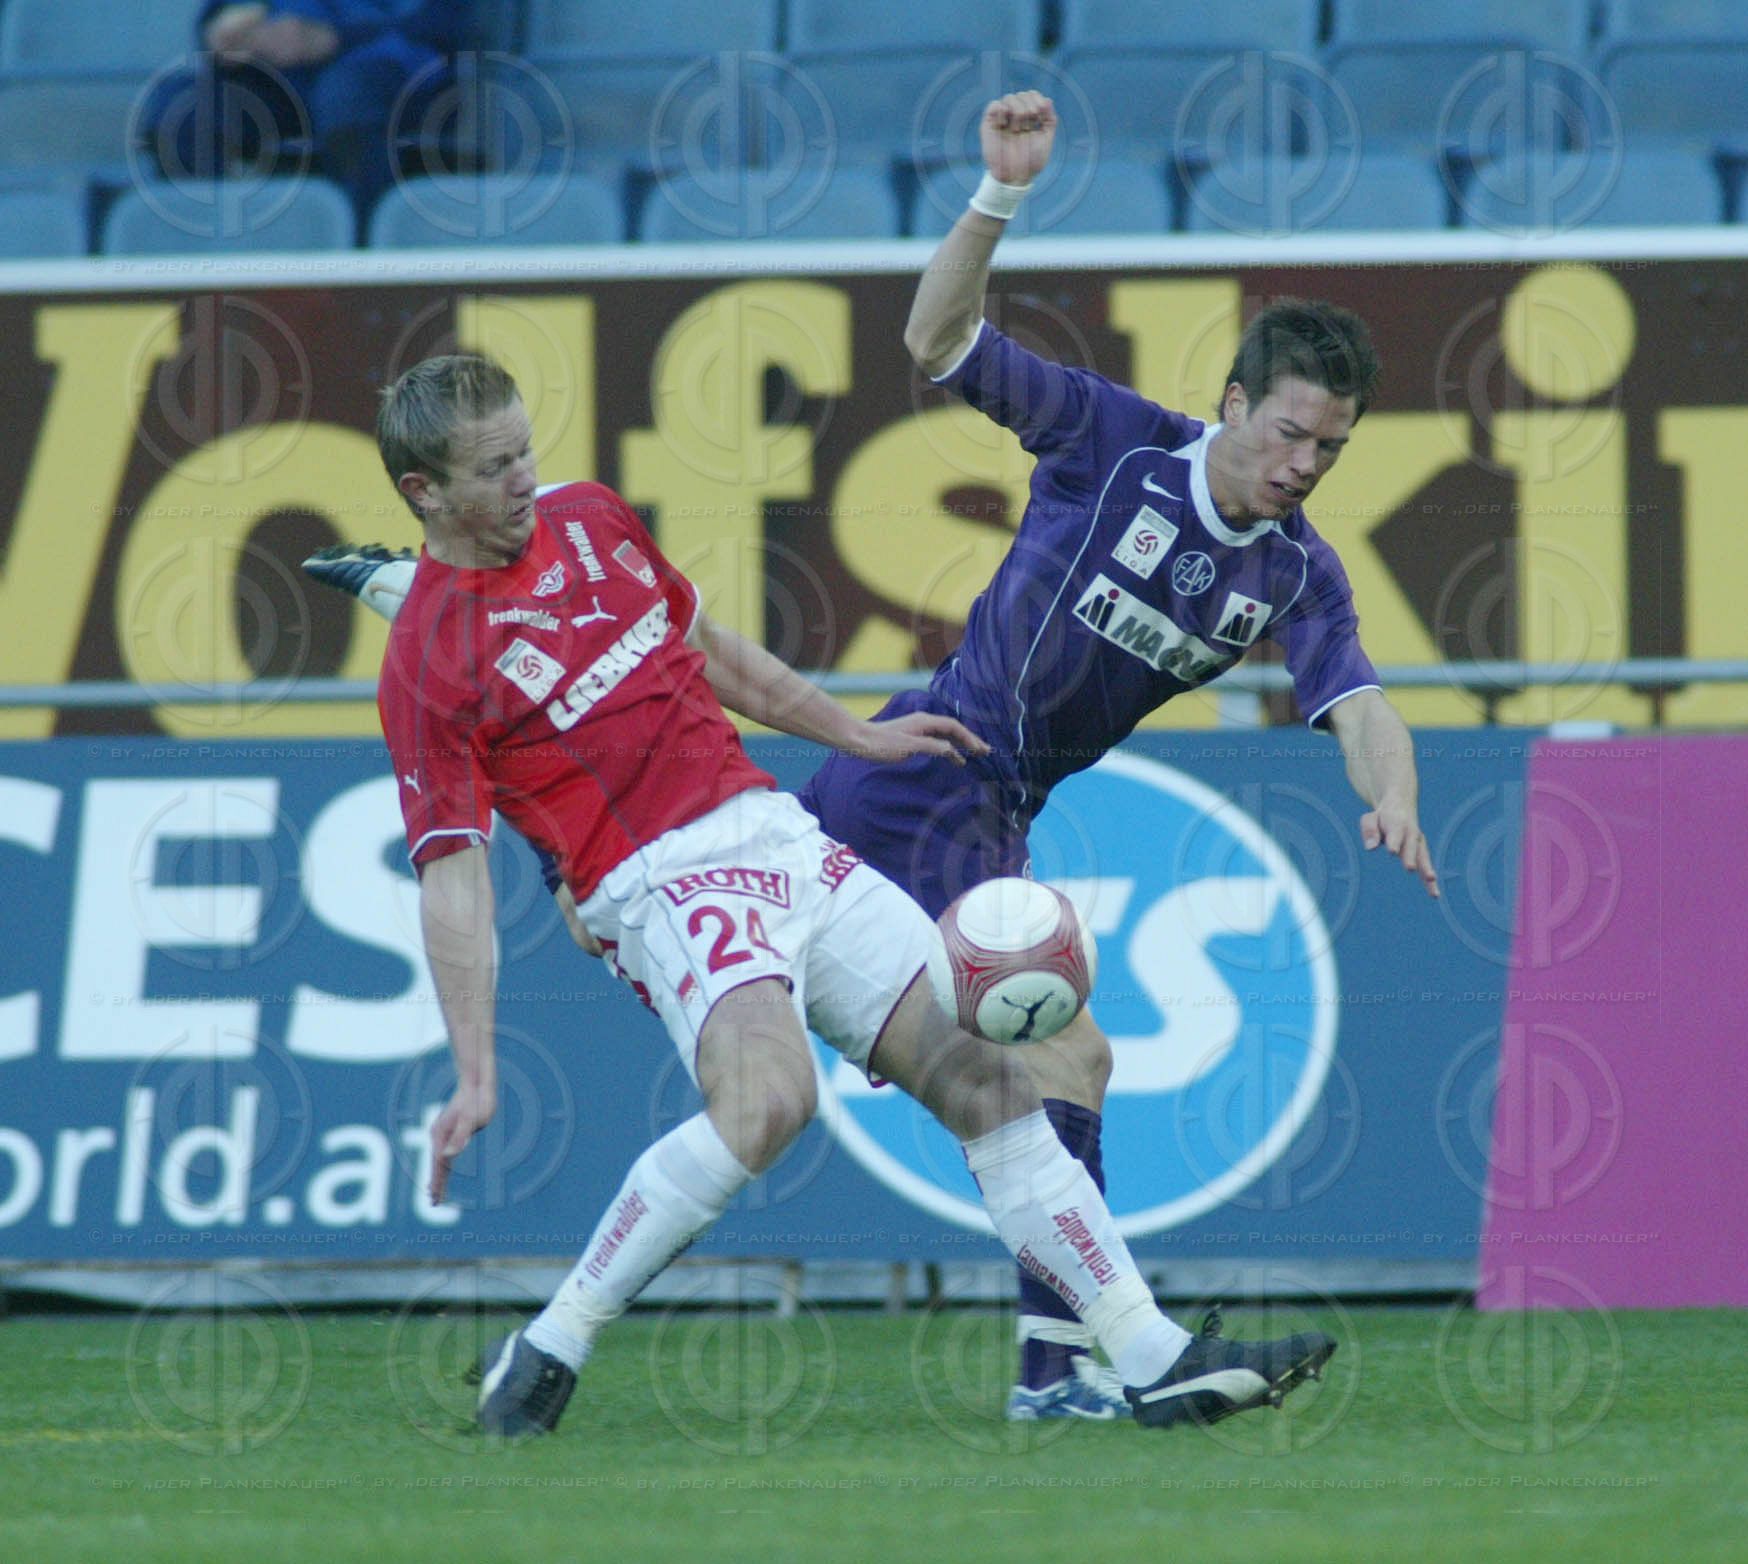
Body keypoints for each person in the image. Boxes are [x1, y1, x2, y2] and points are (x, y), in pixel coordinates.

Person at [309, 89, 1436, 1426]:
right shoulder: (1113, 438)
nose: (1308, 464)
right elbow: (939, 337)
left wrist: (1397, 801)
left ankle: (1122, 1360)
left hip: (869, 814)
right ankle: (1026, 1375)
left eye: (1333, 448)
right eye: (1290, 432)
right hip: (804, 821)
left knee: (1011, 1079)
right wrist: (999, 194)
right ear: (1233, 404)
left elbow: (704, 653)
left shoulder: (1295, 577)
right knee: (905, 1086)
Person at [358, 351, 1333, 1439]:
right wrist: (476, 1068)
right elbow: (450, 879)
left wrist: (855, 733)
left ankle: (1151, 1357)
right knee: (768, 1103)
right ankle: (548, 1347)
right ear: (424, 492)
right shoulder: (427, 661)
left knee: (988, 1080)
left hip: (773, 831)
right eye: (493, 469)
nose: (527, 480)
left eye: (526, 451)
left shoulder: (588, 518)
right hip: (660, 879)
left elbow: (710, 653)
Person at [141, 1, 467, 221]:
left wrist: (335, 37)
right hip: (274, 80)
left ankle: (362, 275)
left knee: (347, 98)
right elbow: (221, 17)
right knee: (181, 108)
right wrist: (227, 27)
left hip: (388, 73)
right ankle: (207, 272)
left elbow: (441, 26)